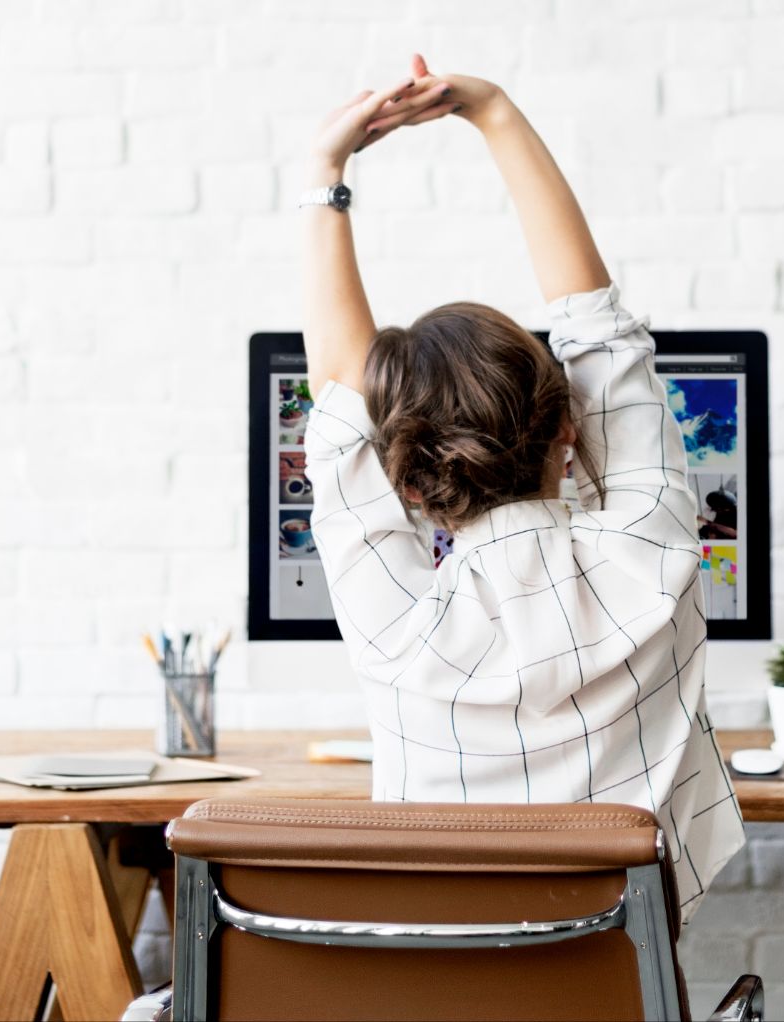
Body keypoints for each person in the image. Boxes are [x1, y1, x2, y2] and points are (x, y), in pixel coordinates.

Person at [295, 54, 744, 919]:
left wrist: (324, 176)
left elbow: (342, 406)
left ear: (409, 485)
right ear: (569, 430)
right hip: (620, 1002)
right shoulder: (655, 554)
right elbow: (602, 336)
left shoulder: (395, 626)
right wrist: (491, 110)